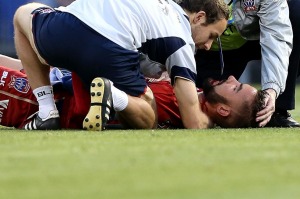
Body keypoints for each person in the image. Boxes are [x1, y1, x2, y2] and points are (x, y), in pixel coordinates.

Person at [13, 0, 230, 130]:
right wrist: (213, 122)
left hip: (64, 29)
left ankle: (46, 111)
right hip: (107, 50)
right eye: (212, 35)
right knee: (148, 116)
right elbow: (193, 121)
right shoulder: (182, 39)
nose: (209, 46)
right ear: (199, 17)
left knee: (24, 13)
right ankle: (113, 94)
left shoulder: (157, 6)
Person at [0, 61, 267, 129]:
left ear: (223, 111)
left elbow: (202, 125)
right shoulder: (193, 93)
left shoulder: (194, 115)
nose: (232, 78)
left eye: (237, 87)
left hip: (52, 102)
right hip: (55, 80)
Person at [193, 0, 300, 127]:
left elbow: (277, 36)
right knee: (187, 101)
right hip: (205, 49)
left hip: (256, 39)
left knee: (295, 8)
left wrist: (272, 89)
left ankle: (276, 110)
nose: (231, 79)